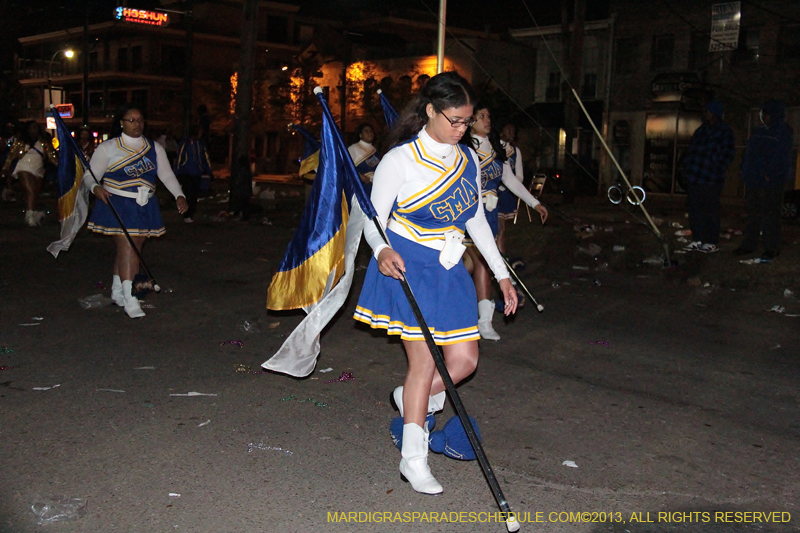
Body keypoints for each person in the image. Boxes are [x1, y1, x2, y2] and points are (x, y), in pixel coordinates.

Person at [353, 71, 518, 495]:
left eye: (467, 122)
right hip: (410, 267)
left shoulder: (464, 158)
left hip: (449, 271)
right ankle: (414, 458)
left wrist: (502, 275)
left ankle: (410, 396)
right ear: (430, 110)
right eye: (455, 120)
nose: (462, 129)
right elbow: (374, 218)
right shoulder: (400, 160)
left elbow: (475, 219)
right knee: (423, 364)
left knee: (464, 362)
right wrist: (382, 249)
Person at [84, 103, 187, 318]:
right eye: (131, 120)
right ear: (121, 123)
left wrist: (179, 195)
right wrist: (95, 188)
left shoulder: (154, 148)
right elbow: (89, 175)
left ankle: (117, 289)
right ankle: (131, 298)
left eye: (140, 120)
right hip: (118, 203)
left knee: (132, 248)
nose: (137, 124)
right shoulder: (108, 147)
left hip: (145, 203)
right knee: (129, 248)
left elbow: (166, 175)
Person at [461, 103, 547, 340]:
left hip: (489, 213)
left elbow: (510, 180)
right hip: (467, 212)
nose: (487, 119)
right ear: (470, 121)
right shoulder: (463, 147)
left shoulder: (497, 149)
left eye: (488, 115)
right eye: (481, 116)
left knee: (477, 265)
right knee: (478, 264)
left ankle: (475, 315)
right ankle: (480, 319)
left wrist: (534, 203)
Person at [734, 100, 794, 261]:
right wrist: (745, 170)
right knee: (754, 213)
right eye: (763, 114)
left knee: (771, 215)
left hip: (772, 181)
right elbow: (751, 154)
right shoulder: (759, 131)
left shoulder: (783, 132)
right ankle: (749, 244)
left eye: (766, 114)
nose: (763, 117)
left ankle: (771, 247)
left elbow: (782, 157)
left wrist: (770, 174)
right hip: (755, 179)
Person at [681, 100, 736, 254]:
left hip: (711, 178)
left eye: (708, 112)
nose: (705, 114)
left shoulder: (724, 131)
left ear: (714, 114)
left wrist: (715, 164)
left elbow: (727, 154)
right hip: (695, 176)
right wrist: (688, 166)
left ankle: (710, 240)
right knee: (695, 209)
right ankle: (697, 238)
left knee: (710, 210)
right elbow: (692, 149)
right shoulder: (701, 130)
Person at [1, 120, 58, 226]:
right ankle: (29, 216)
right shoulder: (21, 142)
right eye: (32, 128)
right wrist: (5, 168)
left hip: (38, 169)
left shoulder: (43, 142)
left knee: (34, 193)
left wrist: (60, 166)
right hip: (24, 166)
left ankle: (32, 212)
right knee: (30, 190)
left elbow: (51, 157)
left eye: (36, 128)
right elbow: (11, 156)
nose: (34, 130)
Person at [174, 125, 214, 223]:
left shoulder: (200, 144)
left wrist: (208, 171)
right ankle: (187, 214)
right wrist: (177, 171)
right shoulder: (186, 143)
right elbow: (179, 157)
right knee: (189, 194)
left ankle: (190, 214)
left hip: (196, 173)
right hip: (186, 173)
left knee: (194, 195)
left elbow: (205, 159)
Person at [496, 121, 524, 254]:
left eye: (513, 131)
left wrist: (508, 184)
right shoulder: (492, 148)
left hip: (506, 195)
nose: (511, 133)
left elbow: (519, 176)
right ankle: (499, 260)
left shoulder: (515, 151)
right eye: (508, 130)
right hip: (493, 195)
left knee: (502, 229)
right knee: (498, 227)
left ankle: (501, 259)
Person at [347, 123, 381, 195]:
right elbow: (346, 166)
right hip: (362, 188)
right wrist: (360, 176)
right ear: (360, 135)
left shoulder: (374, 150)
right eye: (366, 131)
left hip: (376, 186)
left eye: (371, 131)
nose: (370, 133)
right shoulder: (353, 148)